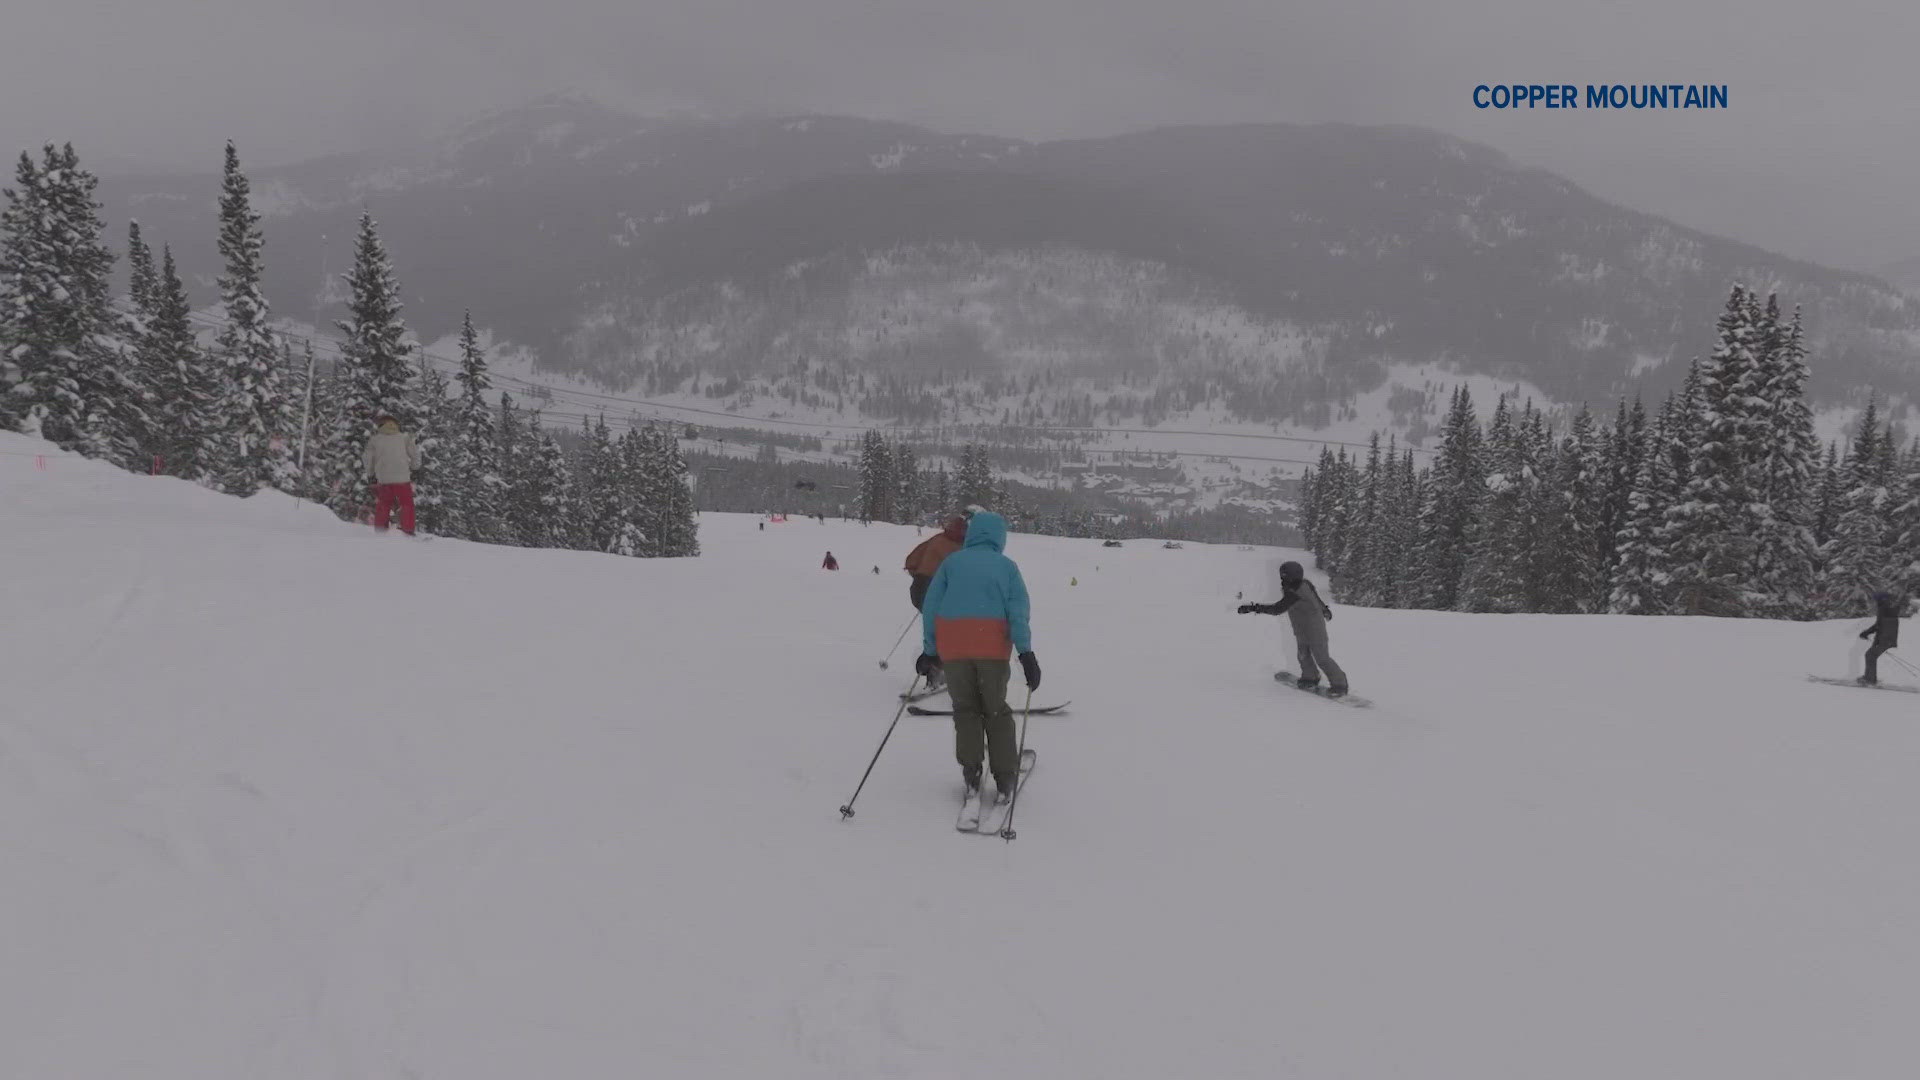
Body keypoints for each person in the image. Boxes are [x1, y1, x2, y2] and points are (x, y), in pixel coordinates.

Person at [915, 511, 1040, 809]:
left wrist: (930, 650)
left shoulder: (952, 564)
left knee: (966, 710)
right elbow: (1018, 614)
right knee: (995, 711)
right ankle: (1005, 777)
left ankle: (971, 773)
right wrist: (1026, 654)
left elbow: (931, 608)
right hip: (992, 651)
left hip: (953, 651)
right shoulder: (1007, 568)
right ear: (1000, 537)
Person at [1237, 561, 1347, 697]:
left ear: (1290, 576)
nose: (1282, 580)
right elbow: (1316, 597)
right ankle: (1310, 677)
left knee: (1322, 657)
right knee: (1303, 654)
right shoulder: (1300, 585)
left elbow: (1277, 609)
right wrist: (1324, 609)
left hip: (1314, 628)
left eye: (1284, 576)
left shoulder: (1297, 591)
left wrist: (1253, 607)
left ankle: (1340, 684)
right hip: (1301, 627)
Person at [362, 413, 421, 536]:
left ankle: (380, 531)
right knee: (406, 504)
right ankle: (408, 530)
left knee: (383, 504)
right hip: (403, 478)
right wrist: (415, 468)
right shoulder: (404, 438)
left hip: (384, 480)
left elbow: (368, 459)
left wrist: (370, 473)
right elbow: (415, 455)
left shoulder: (375, 440)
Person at [1858, 591, 1902, 685]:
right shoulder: (1889, 608)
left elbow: (1879, 625)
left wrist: (1866, 633)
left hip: (1884, 639)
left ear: (1880, 600)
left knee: (1871, 656)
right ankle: (1869, 677)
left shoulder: (1883, 609)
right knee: (1870, 655)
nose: (1874, 602)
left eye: (1875, 599)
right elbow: (1882, 625)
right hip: (1887, 639)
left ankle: (1870, 679)